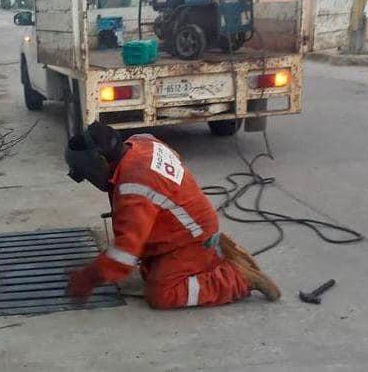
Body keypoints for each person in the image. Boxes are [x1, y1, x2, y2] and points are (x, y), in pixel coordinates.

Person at [64, 122, 281, 309]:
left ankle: (238, 278)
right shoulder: (142, 142)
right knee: (148, 271)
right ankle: (213, 252)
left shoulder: (134, 185)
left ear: (101, 162)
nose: (91, 181)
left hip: (191, 238)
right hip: (190, 224)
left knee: (162, 293)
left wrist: (88, 277)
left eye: (88, 175)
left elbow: (125, 252)